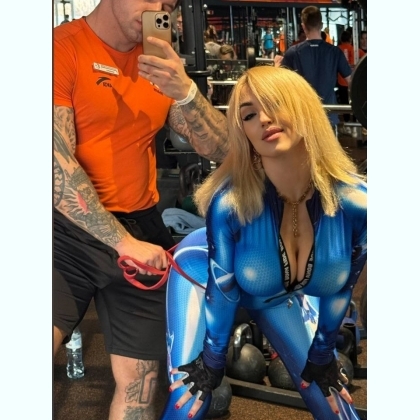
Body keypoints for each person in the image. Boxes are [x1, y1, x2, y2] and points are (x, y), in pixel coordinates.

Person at [53, 0, 229, 419]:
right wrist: (121, 242)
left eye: (168, 4)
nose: (158, 9)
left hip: (141, 226)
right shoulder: (61, 49)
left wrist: (185, 91)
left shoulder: (157, 63)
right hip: (65, 229)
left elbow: (221, 148)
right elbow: (54, 166)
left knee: (140, 386)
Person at [160, 66, 367, 420]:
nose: (264, 119)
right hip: (202, 275)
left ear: (304, 108)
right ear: (244, 133)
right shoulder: (230, 204)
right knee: (191, 400)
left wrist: (322, 353)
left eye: (274, 104)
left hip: (275, 293)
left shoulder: (357, 203)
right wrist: (212, 359)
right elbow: (223, 290)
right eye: (249, 115)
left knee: (335, 405)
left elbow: (341, 287)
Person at [281, 6, 352, 129]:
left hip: (303, 117)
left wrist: (277, 66)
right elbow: (351, 82)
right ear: (321, 25)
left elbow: (280, 85)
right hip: (328, 116)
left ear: (303, 26)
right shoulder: (334, 52)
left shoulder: (292, 52)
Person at [337, 30, 354, 122]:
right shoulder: (354, 49)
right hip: (352, 80)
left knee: (344, 103)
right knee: (354, 103)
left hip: (341, 81)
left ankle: (346, 121)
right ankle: (354, 121)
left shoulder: (337, 49)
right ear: (350, 38)